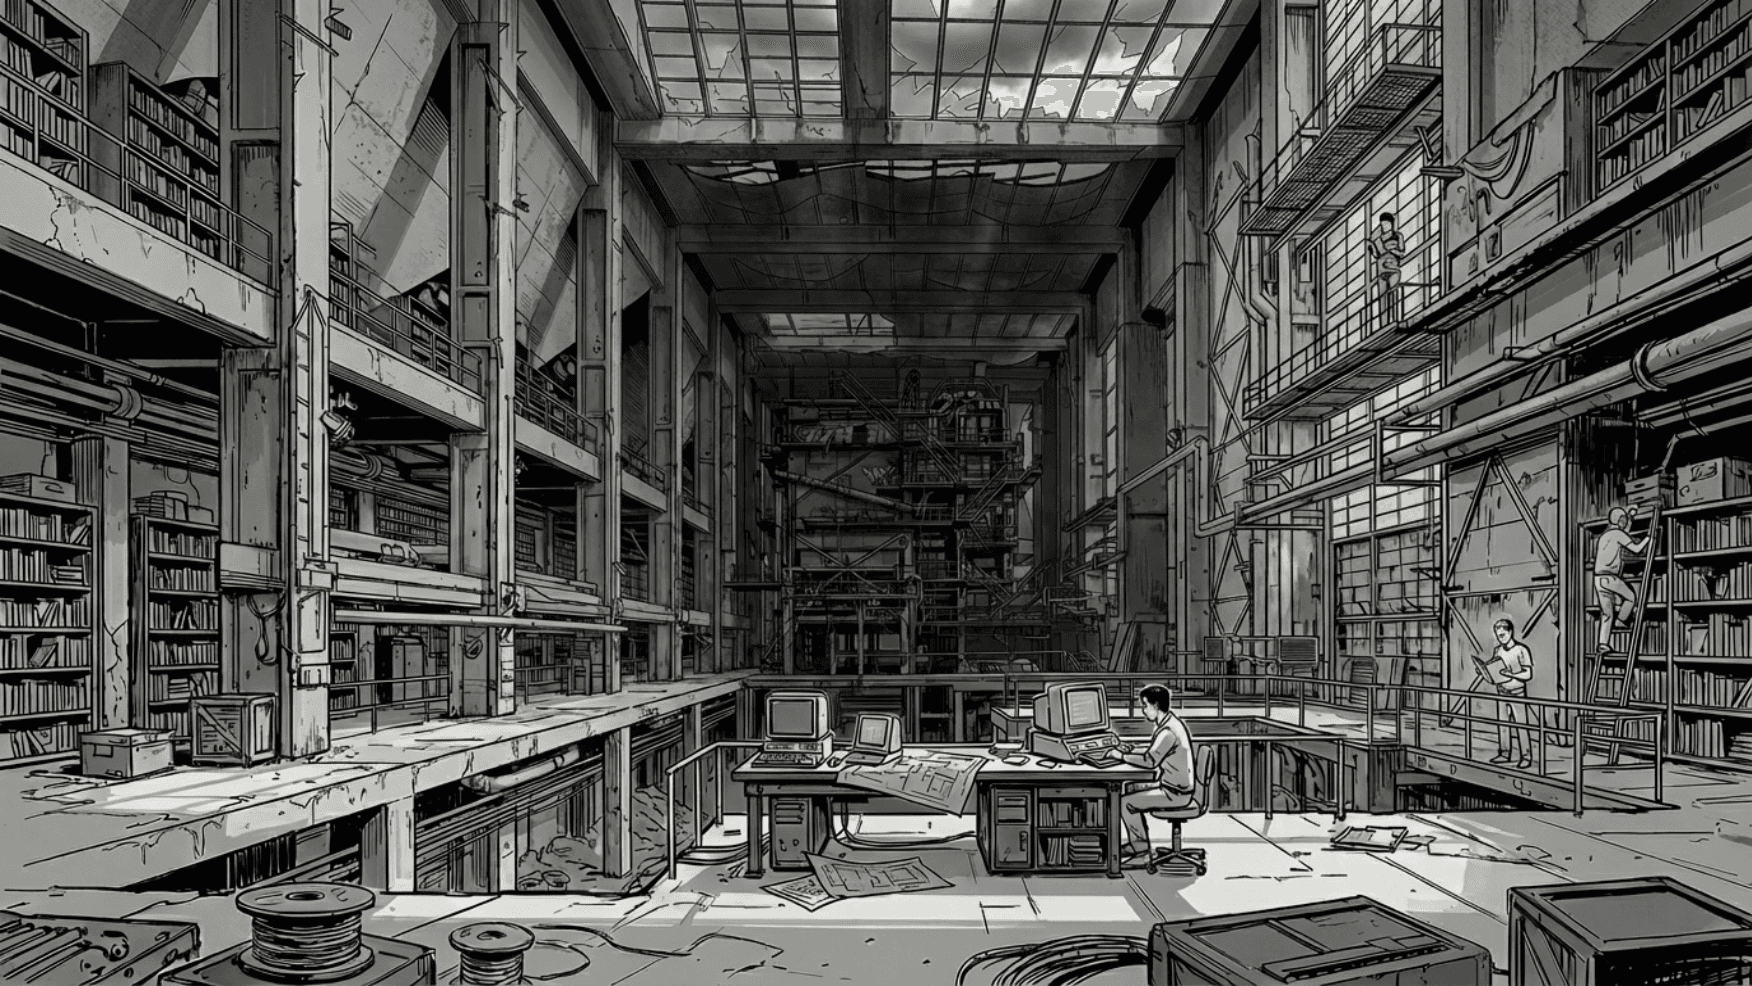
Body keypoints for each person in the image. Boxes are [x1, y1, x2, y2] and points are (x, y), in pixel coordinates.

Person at [1117, 684, 1196, 860]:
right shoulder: (1168, 722)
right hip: (1174, 786)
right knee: (1131, 788)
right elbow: (1155, 751)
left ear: (1156, 705)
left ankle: (1140, 848)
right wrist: (1133, 750)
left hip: (1175, 793)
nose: (1143, 710)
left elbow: (1150, 761)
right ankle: (1139, 844)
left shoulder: (1167, 731)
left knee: (1125, 803)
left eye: (1145, 705)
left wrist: (1122, 756)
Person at [1594, 507, 1650, 653]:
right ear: (1620, 520)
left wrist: (1631, 518)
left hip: (1598, 579)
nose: (1625, 521)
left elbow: (1624, 533)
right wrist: (1648, 539)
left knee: (1607, 614)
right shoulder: (1618, 534)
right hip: (1610, 577)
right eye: (1624, 518)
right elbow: (1636, 549)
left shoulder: (1605, 536)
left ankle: (1602, 644)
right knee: (1631, 597)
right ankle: (1620, 621)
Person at [1485, 618, 1535, 769]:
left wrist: (1512, 675)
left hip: (1517, 693)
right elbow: (1495, 670)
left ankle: (1526, 756)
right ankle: (1504, 753)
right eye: (1497, 635)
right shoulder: (1497, 651)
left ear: (1510, 632)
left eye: (1502, 635)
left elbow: (1528, 674)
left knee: (1521, 726)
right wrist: (1485, 672)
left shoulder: (1521, 650)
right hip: (1501, 692)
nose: (1499, 639)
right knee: (1503, 725)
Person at [1366, 211, 1405, 326]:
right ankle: (1383, 324)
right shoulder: (1379, 238)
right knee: (1382, 297)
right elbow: (1377, 254)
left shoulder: (1397, 236)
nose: (1384, 227)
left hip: (1393, 268)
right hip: (1381, 270)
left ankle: (1395, 319)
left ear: (1392, 224)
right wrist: (1373, 248)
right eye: (1383, 224)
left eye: (1387, 224)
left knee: (1393, 293)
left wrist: (1391, 249)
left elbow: (1402, 253)